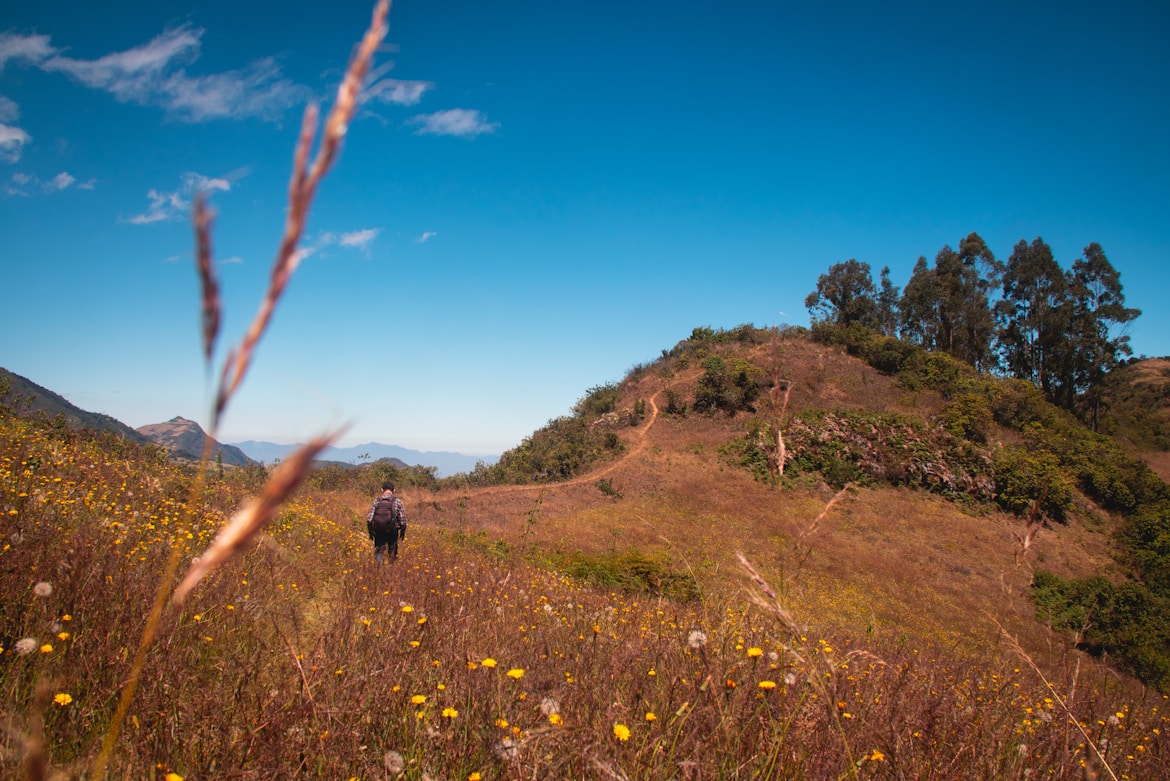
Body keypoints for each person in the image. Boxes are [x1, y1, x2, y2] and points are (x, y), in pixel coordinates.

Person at [366, 480, 406, 562]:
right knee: (392, 550)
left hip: (379, 529)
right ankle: (392, 569)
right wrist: (402, 532)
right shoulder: (397, 501)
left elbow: (369, 519)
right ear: (394, 490)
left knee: (379, 550)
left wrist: (370, 532)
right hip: (393, 530)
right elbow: (403, 520)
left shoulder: (376, 501)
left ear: (382, 490)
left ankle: (378, 569)